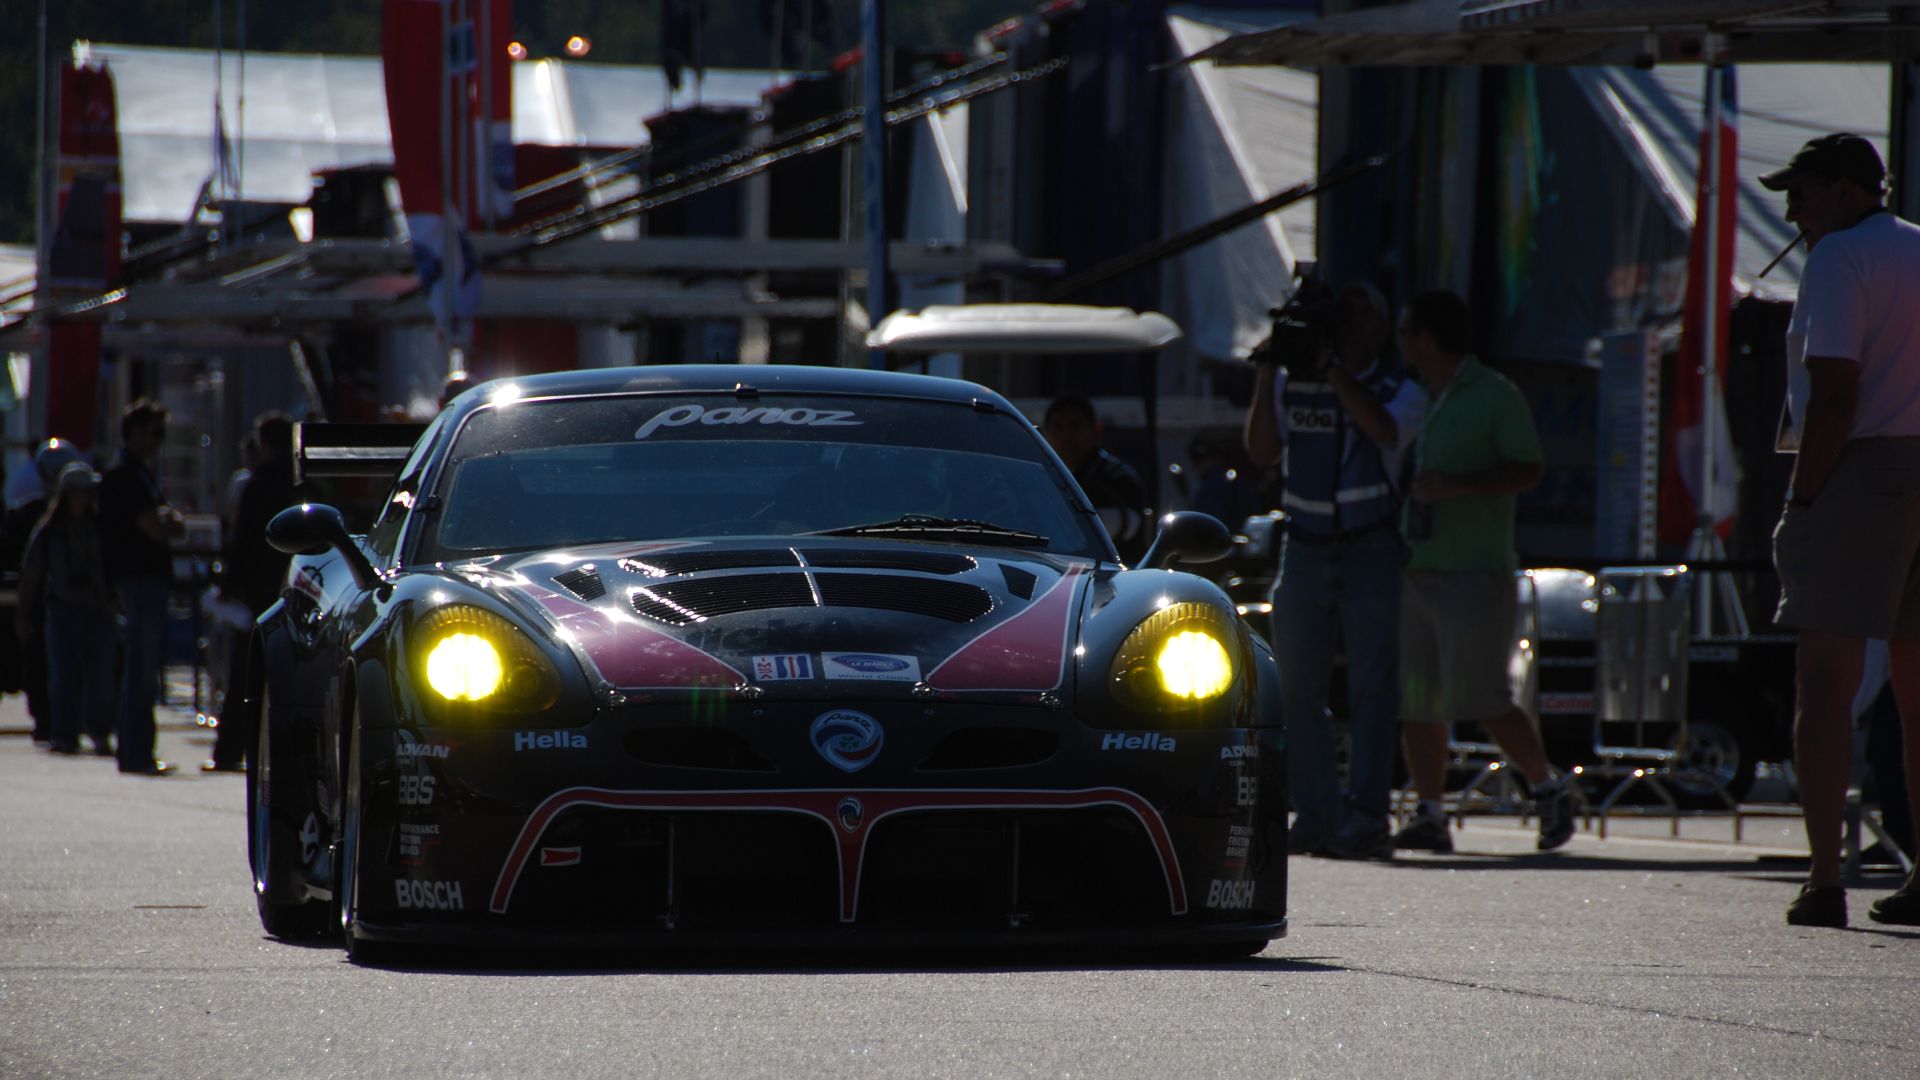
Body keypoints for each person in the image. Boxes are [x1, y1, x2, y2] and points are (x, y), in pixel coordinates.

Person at [1756, 133, 1920, 928]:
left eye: (1806, 192)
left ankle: (1826, 879)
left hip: (1865, 470)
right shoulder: (1918, 249)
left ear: (1851, 191)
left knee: (1825, 676)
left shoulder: (1837, 259)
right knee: (1919, 689)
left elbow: (1833, 394)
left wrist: (1805, 497)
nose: (1793, 210)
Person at [1242, 281, 1426, 858]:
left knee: (1374, 688)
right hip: (1304, 547)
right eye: (1338, 318)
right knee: (1296, 687)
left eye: (1358, 316)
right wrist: (1267, 371)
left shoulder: (1401, 388)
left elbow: (1382, 429)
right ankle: (1318, 814)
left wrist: (1334, 371)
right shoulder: (1294, 382)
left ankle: (1367, 816)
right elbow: (1261, 452)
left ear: (1379, 328)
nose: (1347, 327)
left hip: (1371, 548)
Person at [1390, 289, 1575, 854]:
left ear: (1425, 337)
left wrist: (1458, 487)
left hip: (1473, 571)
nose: (1400, 341)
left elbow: (1529, 468)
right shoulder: (1423, 394)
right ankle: (1429, 812)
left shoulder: (1495, 394)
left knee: (1483, 697)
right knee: (1417, 700)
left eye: (1406, 330)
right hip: (1417, 566)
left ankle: (1548, 789)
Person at [206, 413, 300, 772]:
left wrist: (228, 586)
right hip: (291, 590)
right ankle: (278, 755)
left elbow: (244, 541)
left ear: (265, 444)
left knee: (244, 674)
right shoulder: (298, 485)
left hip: (256, 594)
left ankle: (229, 751)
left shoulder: (258, 485)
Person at [100, 399, 185, 777]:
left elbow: (170, 522)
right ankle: (135, 753)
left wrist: (167, 522)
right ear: (134, 431)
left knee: (144, 668)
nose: (159, 442)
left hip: (147, 579)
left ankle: (137, 751)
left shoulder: (143, 474)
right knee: (140, 668)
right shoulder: (123, 475)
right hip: (138, 580)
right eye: (155, 432)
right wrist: (165, 523)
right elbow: (153, 526)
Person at [14, 463, 118, 757]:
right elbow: (32, 572)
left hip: (97, 611)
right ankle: (64, 734)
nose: (89, 497)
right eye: (84, 491)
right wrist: (22, 614)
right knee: (62, 676)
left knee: (100, 676)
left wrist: (113, 598)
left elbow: (115, 565)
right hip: (63, 610)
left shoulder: (101, 527)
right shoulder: (49, 530)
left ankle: (99, 731)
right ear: (69, 493)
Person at [1, 439, 87, 746]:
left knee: (72, 666)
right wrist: (22, 610)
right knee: (38, 662)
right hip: (43, 604)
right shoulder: (29, 516)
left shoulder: (86, 520)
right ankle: (48, 721)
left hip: (74, 603)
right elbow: (26, 566)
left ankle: (70, 721)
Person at [1042, 396, 1151, 563]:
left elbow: (1127, 525)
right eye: (1057, 427)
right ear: (1045, 434)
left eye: (1075, 426)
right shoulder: (1038, 476)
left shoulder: (1118, 478)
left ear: (1095, 429)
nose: (1066, 436)